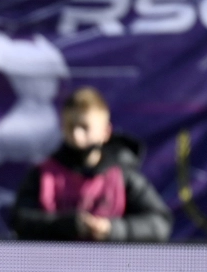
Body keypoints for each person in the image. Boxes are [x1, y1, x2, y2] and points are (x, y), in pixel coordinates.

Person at [10, 87, 172, 242]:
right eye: (70, 127)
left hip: (110, 268)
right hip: (57, 267)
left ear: (105, 132)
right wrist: (63, 226)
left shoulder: (122, 175)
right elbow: (19, 220)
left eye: (84, 127)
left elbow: (160, 223)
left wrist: (111, 229)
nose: (76, 135)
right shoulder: (42, 174)